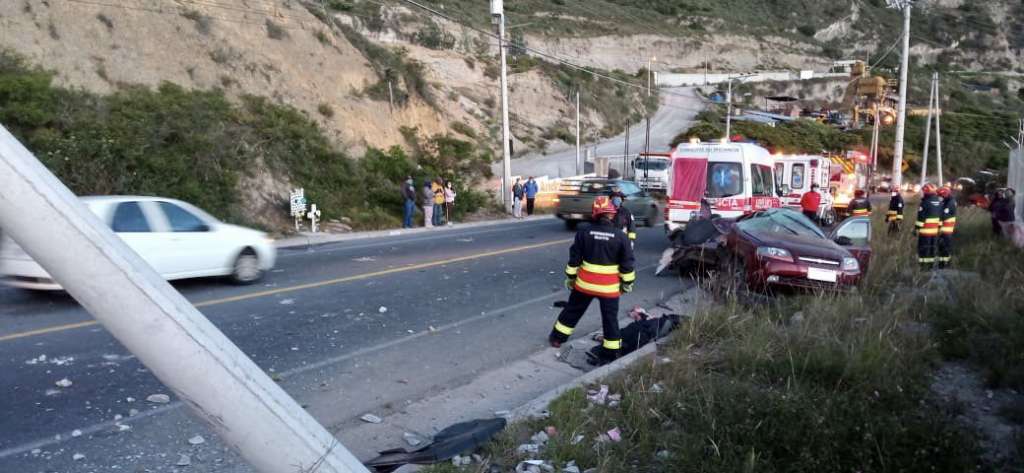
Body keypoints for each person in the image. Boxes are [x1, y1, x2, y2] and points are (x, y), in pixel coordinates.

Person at [549, 196, 636, 365]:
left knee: (572, 311)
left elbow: (574, 260)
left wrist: (571, 279)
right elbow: (627, 264)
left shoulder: (583, 233)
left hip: (584, 285)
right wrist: (627, 283)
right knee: (610, 320)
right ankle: (610, 353)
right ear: (611, 215)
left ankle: (557, 339)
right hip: (609, 288)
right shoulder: (620, 237)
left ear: (594, 214)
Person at [915, 183, 944, 270]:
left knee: (923, 249)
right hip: (934, 231)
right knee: (932, 248)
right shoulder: (939, 202)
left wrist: (917, 229)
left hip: (925, 231)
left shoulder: (925, 203)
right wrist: (939, 228)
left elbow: (921, 218)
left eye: (924, 191)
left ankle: (923, 267)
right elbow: (941, 217)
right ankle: (930, 265)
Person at [937, 186, 957, 268]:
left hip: (947, 228)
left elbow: (944, 215)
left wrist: (938, 224)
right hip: (944, 228)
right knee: (942, 246)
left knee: (945, 246)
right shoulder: (946, 201)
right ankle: (942, 262)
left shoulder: (950, 202)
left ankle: (946, 263)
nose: (940, 197)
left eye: (941, 195)